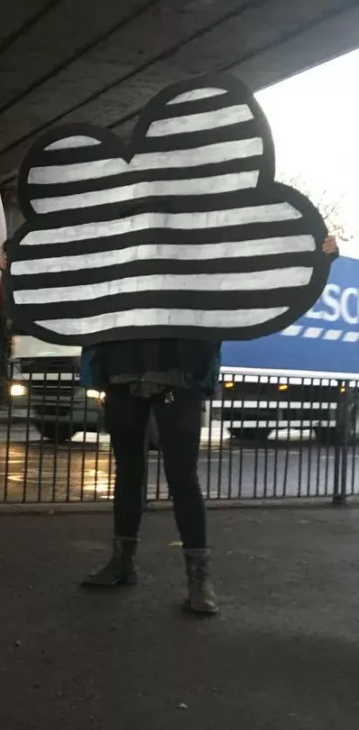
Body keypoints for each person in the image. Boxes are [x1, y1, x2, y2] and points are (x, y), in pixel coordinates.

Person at [80, 234, 340, 615]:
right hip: (121, 371)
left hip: (178, 374)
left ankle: (198, 578)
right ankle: (123, 562)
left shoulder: (196, 241)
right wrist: (15, 265)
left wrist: (316, 258)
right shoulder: (122, 241)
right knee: (128, 472)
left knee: (182, 477)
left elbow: (251, 276)